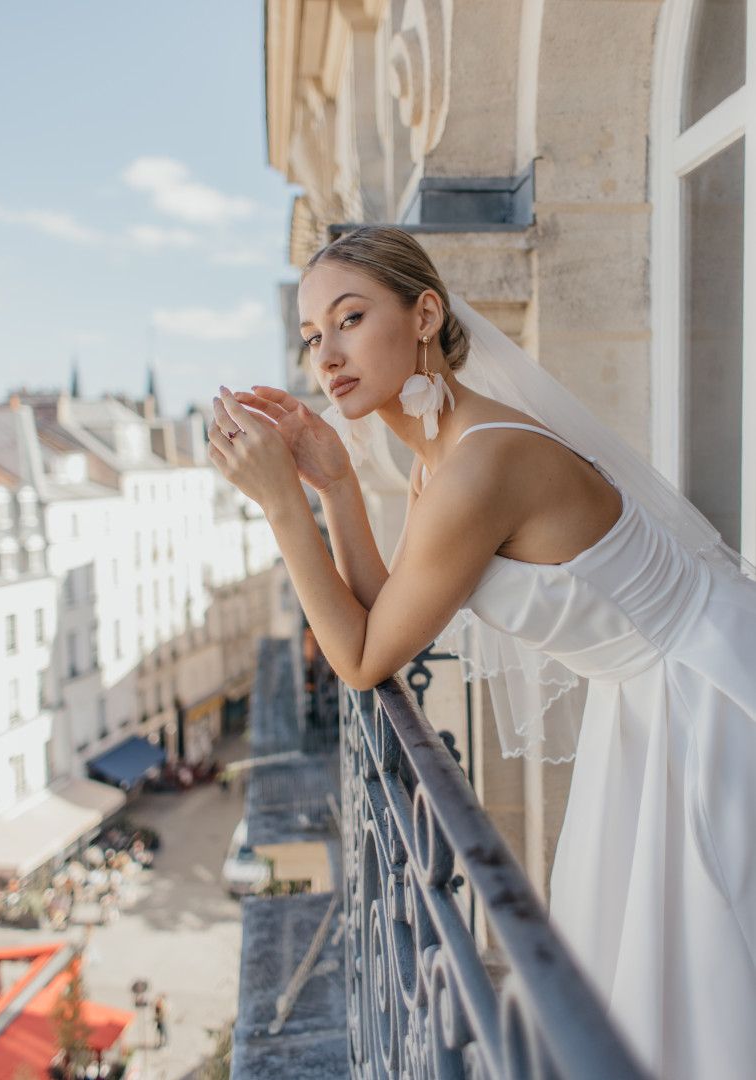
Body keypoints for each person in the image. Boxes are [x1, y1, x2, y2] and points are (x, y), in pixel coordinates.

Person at [207, 225, 756, 1080]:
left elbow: (359, 659)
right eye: (314, 336)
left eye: (350, 319)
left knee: (703, 977)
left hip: (701, 695)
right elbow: (386, 617)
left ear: (425, 312)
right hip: (643, 701)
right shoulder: (441, 453)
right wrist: (337, 485)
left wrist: (285, 507)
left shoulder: (479, 464)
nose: (328, 355)